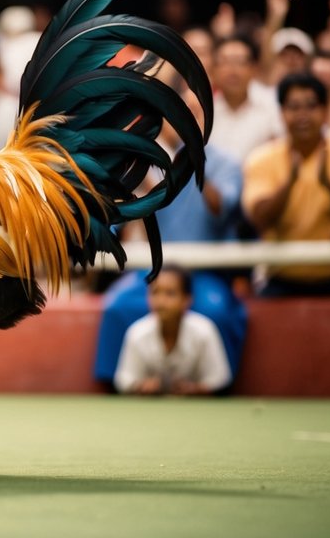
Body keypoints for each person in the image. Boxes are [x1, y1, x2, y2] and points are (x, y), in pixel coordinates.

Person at [95, 88, 247, 384]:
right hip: (157, 269)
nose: (181, 121)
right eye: (175, 114)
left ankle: (216, 385)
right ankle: (116, 383)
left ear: (204, 119)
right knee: (116, 305)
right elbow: (130, 204)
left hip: (205, 272)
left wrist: (193, 157)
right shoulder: (153, 159)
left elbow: (221, 209)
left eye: (190, 114)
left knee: (215, 310)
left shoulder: (226, 163)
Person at [242, 73, 330, 295]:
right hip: (282, 277)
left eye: (311, 106)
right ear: (281, 113)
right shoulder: (262, 158)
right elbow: (259, 219)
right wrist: (290, 183)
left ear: (325, 112)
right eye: (293, 107)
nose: (302, 115)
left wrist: (329, 184)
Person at [113, 266, 233, 396]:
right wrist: (142, 386)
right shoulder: (136, 333)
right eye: (155, 292)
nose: (161, 301)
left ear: (187, 299)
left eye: (170, 293)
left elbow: (219, 381)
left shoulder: (204, 331)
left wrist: (196, 389)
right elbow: (124, 382)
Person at [210, 36, 283, 164]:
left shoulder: (272, 103)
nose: (233, 70)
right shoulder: (204, 110)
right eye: (225, 62)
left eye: (240, 62)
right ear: (214, 70)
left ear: (254, 69)